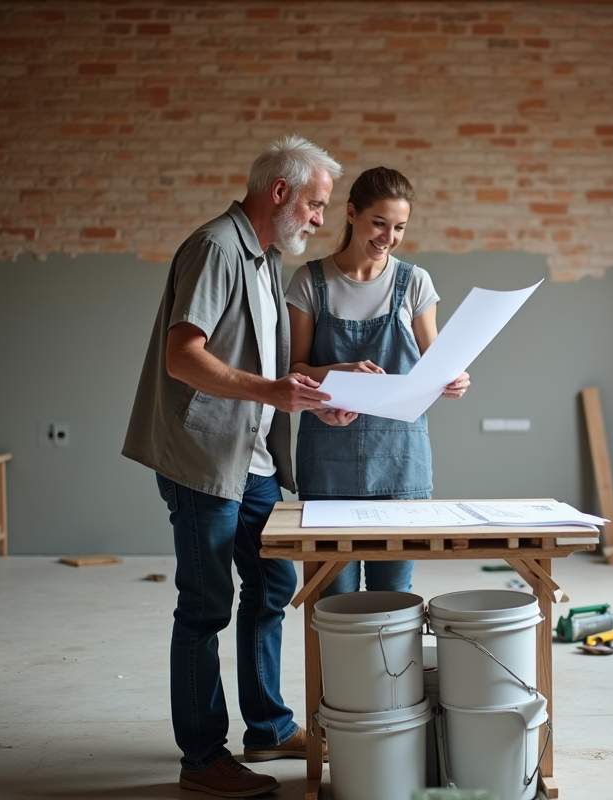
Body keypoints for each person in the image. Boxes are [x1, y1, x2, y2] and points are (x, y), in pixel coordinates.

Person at [122, 134, 346, 798]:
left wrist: (317, 395)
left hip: (254, 464)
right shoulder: (217, 249)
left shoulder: (263, 259)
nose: (320, 219)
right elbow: (182, 357)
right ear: (281, 192)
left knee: (273, 587)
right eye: (316, 204)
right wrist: (273, 391)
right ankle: (202, 759)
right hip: (204, 463)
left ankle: (268, 725)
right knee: (205, 606)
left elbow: (269, 371)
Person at [286, 166, 470, 596]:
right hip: (327, 464)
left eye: (399, 227)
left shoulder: (414, 283)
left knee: (395, 599)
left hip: (400, 463)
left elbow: (438, 364)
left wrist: (454, 380)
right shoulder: (310, 281)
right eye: (379, 223)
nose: (388, 237)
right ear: (351, 214)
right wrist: (338, 371)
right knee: (333, 601)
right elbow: (295, 371)